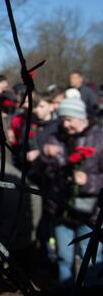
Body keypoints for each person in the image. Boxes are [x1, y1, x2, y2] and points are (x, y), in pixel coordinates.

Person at [39, 97, 103, 286]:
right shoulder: (54, 137)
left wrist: (88, 180)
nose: (65, 125)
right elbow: (43, 174)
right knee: (64, 258)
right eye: (62, 120)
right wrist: (45, 157)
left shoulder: (99, 138)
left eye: (69, 119)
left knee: (91, 259)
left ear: (81, 117)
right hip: (61, 210)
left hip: (92, 213)